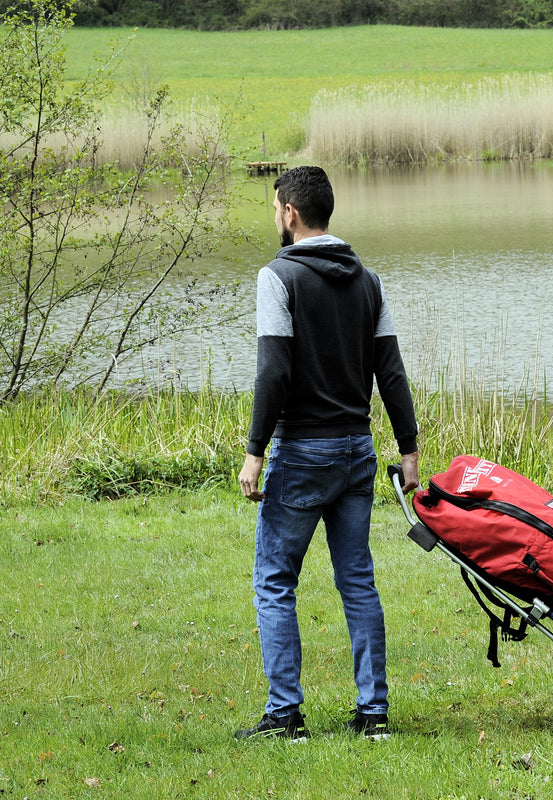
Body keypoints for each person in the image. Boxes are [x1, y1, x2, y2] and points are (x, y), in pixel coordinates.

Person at [235, 165, 419, 743]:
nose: (275, 217)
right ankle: (374, 714)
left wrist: (255, 451)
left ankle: (285, 715)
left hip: (303, 452)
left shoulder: (278, 277)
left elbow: (274, 369)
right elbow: (389, 370)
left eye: (274, 208)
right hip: (357, 452)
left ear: (290, 212)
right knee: (357, 580)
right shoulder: (369, 281)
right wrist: (408, 447)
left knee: (273, 581)